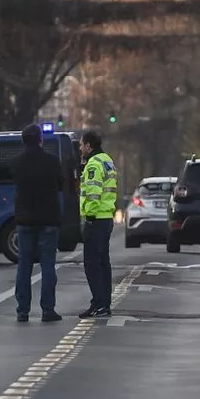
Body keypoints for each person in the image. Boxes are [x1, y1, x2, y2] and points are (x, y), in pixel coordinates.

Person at [11, 124, 63, 322]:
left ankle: (22, 310)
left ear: (23, 141)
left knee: (24, 264)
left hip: (25, 219)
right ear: (41, 139)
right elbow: (61, 184)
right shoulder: (52, 161)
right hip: (48, 218)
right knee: (48, 264)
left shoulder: (17, 162)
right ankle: (48, 309)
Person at [79, 130, 118, 318]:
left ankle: (99, 303)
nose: (80, 148)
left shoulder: (94, 164)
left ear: (88, 145)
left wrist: (90, 215)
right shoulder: (107, 160)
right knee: (103, 263)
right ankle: (103, 303)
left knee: (92, 264)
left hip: (96, 219)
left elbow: (94, 192)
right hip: (106, 217)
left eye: (81, 145)